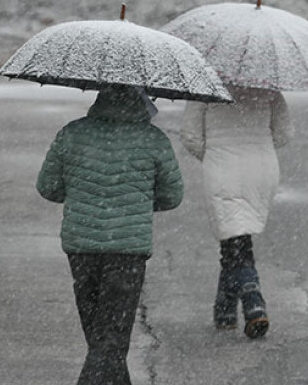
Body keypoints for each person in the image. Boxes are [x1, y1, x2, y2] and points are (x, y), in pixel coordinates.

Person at [37, 85, 184, 385]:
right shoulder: (153, 140)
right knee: (111, 339)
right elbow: (172, 196)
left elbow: (48, 187)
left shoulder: (72, 133)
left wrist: (80, 193)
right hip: (127, 252)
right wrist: (139, 201)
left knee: (101, 336)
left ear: (99, 96)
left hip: (82, 249)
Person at [178, 84, 293, 338]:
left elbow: (191, 136)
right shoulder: (267, 87)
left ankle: (254, 301)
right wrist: (258, 147)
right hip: (261, 169)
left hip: (222, 169)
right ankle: (225, 311)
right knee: (236, 237)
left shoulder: (203, 86)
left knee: (235, 236)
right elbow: (284, 133)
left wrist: (214, 155)